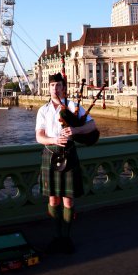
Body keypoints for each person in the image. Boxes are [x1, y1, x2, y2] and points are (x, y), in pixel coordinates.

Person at [35, 73, 98, 254]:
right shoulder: (43, 110)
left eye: (58, 85)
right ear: (49, 88)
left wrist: (75, 129)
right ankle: (57, 236)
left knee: (68, 199)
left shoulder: (73, 106)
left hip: (68, 153)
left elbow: (92, 126)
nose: (55, 88)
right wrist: (54, 139)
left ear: (64, 88)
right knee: (53, 197)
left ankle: (66, 237)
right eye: (52, 85)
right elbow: (39, 137)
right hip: (50, 153)